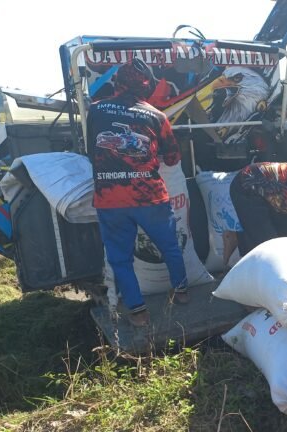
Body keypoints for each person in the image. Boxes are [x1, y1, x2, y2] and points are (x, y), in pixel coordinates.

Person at [87, 59, 188, 328]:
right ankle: (181, 293)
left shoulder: (95, 110)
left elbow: (91, 151)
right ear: (147, 85)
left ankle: (138, 312)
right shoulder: (157, 116)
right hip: (149, 197)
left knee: (120, 258)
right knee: (169, 247)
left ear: (117, 83)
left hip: (110, 198)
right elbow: (173, 158)